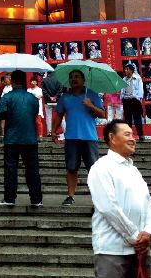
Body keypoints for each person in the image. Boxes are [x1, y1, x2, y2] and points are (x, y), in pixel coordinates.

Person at [87, 120, 151, 278]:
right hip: (112, 250)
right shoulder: (101, 168)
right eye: (127, 134)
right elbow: (108, 207)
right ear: (112, 138)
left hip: (140, 250)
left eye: (133, 134)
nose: (133, 139)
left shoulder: (134, 170)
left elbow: (148, 203)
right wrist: (135, 237)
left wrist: (149, 231)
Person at [52, 69, 105, 206]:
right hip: (71, 138)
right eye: (71, 77)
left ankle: (98, 199)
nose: (73, 79)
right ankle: (70, 196)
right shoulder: (65, 97)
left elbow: (103, 114)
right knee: (71, 168)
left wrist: (90, 105)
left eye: (76, 77)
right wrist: (53, 130)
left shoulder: (92, 95)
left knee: (93, 170)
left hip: (89, 138)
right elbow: (59, 115)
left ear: (83, 80)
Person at [0, 70, 42, 207]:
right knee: (32, 169)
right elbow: (34, 114)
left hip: (12, 138)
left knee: (11, 169)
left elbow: (0, 114)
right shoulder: (32, 98)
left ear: (13, 81)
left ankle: (10, 198)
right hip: (30, 138)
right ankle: (36, 199)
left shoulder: (7, 97)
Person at [120, 63, 145, 140]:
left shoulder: (137, 78)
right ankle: (129, 135)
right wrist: (122, 98)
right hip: (126, 100)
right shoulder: (124, 79)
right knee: (128, 119)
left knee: (137, 118)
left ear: (131, 70)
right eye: (125, 69)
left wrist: (138, 99)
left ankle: (140, 134)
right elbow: (122, 90)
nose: (125, 70)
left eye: (127, 69)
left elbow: (141, 89)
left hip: (134, 100)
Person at [41, 70, 64, 137]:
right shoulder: (58, 80)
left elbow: (43, 91)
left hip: (48, 101)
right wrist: (56, 97)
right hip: (57, 101)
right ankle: (65, 130)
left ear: (47, 73)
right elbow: (60, 89)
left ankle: (49, 132)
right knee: (61, 116)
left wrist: (49, 97)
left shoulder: (44, 80)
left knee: (48, 117)